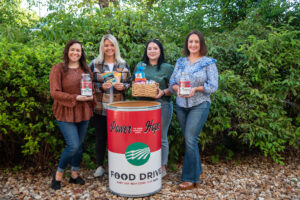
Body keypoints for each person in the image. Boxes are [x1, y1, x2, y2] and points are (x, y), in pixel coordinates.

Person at [169, 30, 218, 190]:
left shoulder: (208, 62)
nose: (193, 44)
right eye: (191, 41)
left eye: (196, 41)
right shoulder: (181, 62)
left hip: (200, 103)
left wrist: (196, 89)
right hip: (181, 105)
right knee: (190, 139)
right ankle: (196, 170)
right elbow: (172, 82)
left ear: (201, 44)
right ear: (187, 44)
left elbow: (213, 86)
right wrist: (178, 89)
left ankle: (190, 178)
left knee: (190, 138)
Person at [49, 40, 95, 190]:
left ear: (82, 53)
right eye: (73, 50)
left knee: (79, 145)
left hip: (83, 111)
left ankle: (75, 175)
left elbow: (91, 89)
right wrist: (75, 98)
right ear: (67, 51)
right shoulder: (58, 69)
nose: (75, 53)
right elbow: (54, 93)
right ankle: (58, 175)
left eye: (78, 51)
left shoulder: (86, 69)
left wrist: (90, 97)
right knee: (73, 145)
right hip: (65, 111)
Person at [89, 34, 131, 177]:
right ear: (102, 47)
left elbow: (130, 83)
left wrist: (123, 87)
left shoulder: (123, 64)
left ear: (116, 47)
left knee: (119, 137)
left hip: (119, 109)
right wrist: (101, 87)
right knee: (101, 138)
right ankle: (100, 166)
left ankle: (118, 165)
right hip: (100, 108)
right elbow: (88, 85)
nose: (109, 48)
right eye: (106, 45)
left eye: (112, 45)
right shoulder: (94, 64)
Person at [133, 39, 174, 177]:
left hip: (161, 105)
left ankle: (162, 166)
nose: (152, 51)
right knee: (144, 136)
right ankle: (147, 163)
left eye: (155, 48)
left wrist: (162, 92)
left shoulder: (167, 67)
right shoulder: (140, 65)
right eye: (149, 48)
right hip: (142, 105)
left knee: (161, 136)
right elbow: (135, 83)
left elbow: (173, 88)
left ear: (160, 51)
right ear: (146, 51)